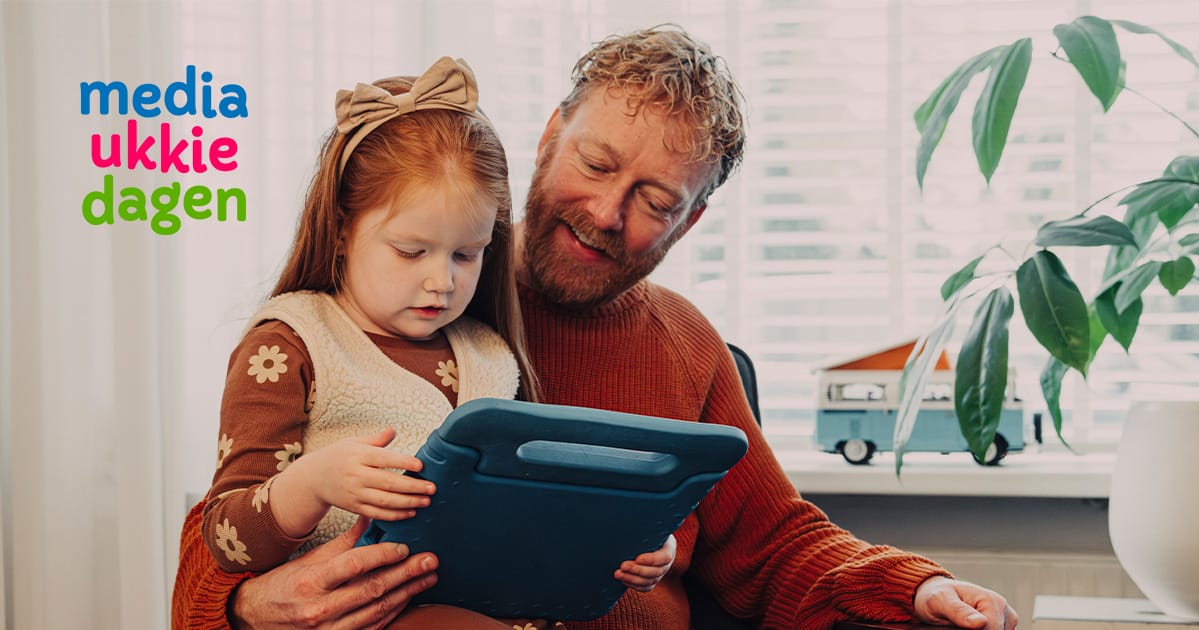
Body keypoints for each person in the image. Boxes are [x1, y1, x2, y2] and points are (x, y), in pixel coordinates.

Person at [173, 28, 1019, 630]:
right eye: (597, 164)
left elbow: (776, 541)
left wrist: (914, 588)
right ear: (548, 139)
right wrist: (250, 608)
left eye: (656, 203)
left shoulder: (683, 343)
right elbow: (223, 531)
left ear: (689, 224)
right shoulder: (399, 308)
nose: (608, 213)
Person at [191, 56, 674, 626]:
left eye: (466, 254)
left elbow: (537, 500)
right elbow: (228, 537)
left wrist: (632, 536)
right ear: (343, 231)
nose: (440, 282)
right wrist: (313, 484)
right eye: (411, 251)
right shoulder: (293, 344)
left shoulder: (492, 355)